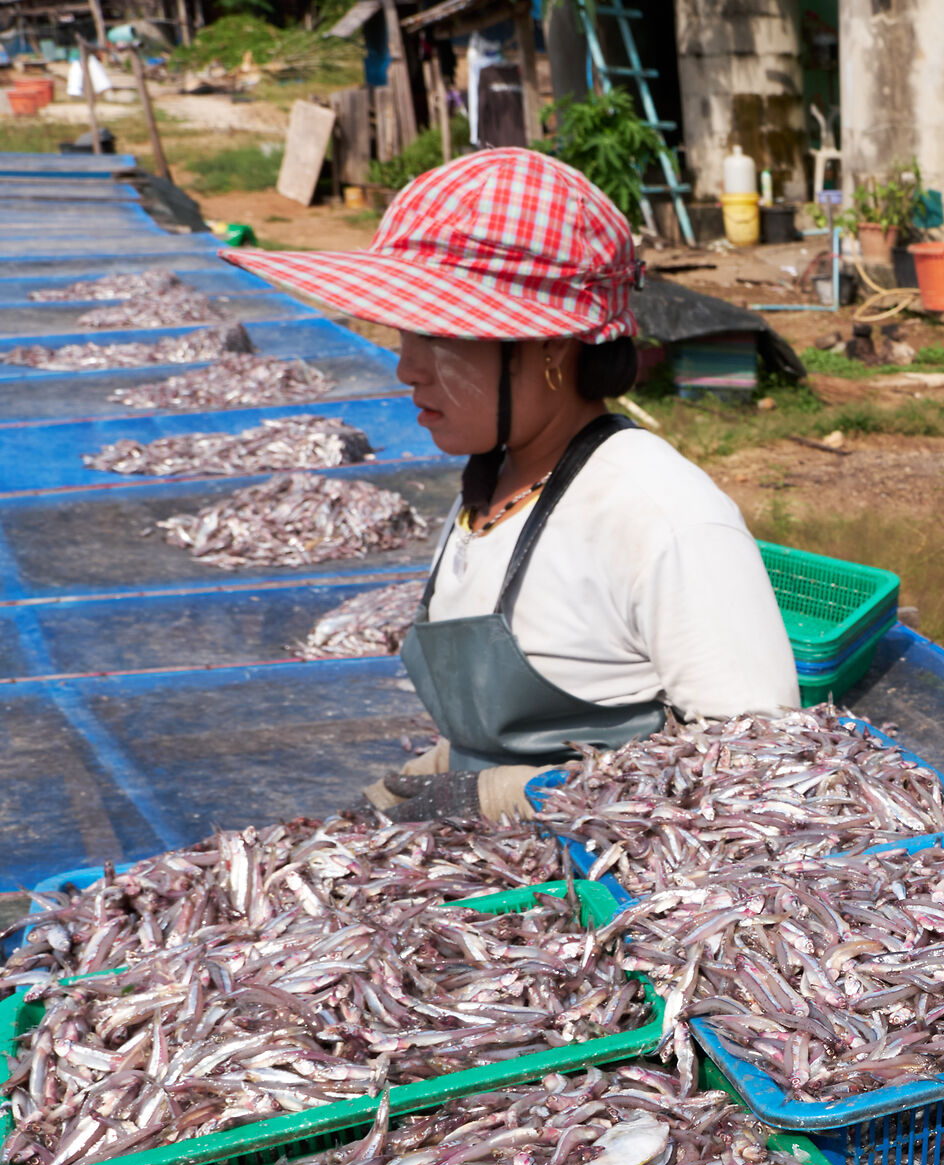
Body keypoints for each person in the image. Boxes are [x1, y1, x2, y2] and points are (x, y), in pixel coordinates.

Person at [221, 149, 799, 822]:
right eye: (404, 331)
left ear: (550, 344)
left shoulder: (659, 513)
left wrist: (512, 798)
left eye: (436, 333)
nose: (406, 366)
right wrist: (445, 768)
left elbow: (764, 774)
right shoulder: (493, 483)